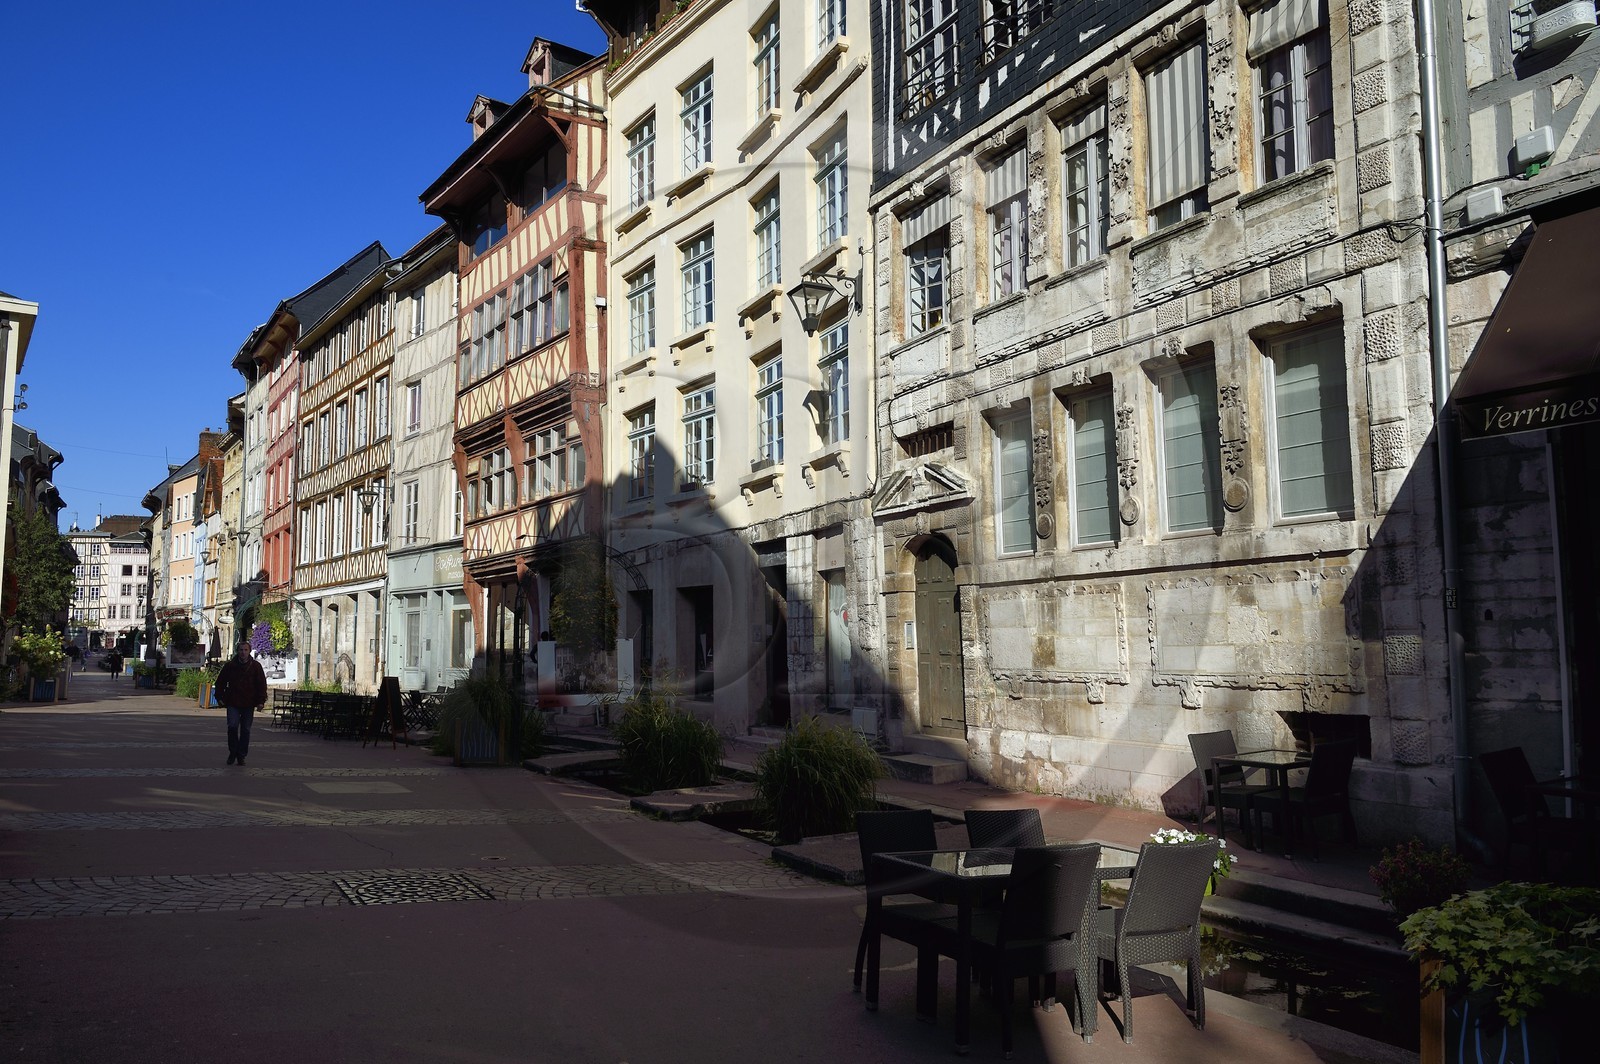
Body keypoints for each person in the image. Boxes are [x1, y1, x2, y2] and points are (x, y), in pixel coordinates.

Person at [214, 639, 267, 767]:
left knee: (245, 730)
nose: (243, 653)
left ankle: (241, 755)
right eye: (241, 650)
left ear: (249, 652)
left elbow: (261, 684)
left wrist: (261, 701)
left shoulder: (255, 666)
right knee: (232, 727)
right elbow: (220, 682)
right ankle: (233, 752)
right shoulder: (230, 666)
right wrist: (219, 697)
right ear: (237, 652)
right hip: (233, 701)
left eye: (245, 650)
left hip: (249, 702)